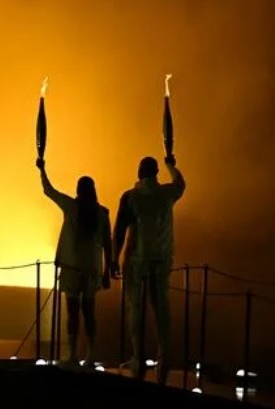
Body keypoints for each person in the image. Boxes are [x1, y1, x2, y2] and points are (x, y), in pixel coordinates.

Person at [112, 155, 186, 384]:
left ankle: (137, 356)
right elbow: (181, 184)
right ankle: (164, 356)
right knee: (161, 306)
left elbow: (120, 231)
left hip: (137, 259)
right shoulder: (166, 194)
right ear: (156, 172)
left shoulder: (131, 197)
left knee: (135, 307)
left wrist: (113, 259)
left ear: (139, 172)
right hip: (162, 258)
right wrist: (171, 164)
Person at [36, 157, 115, 364]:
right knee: (89, 312)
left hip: (72, 268)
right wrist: (106, 272)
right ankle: (89, 353)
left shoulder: (71, 207)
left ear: (78, 190)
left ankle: (72, 353)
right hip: (91, 269)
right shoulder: (102, 214)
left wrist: (42, 169)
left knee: (72, 312)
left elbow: (48, 190)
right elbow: (108, 244)